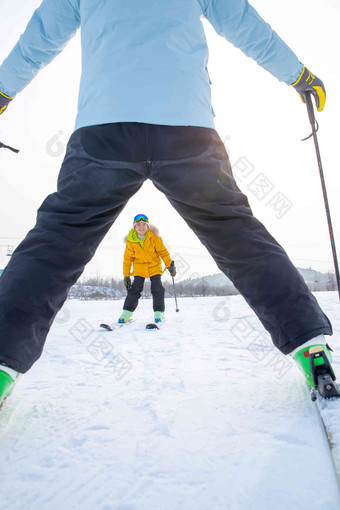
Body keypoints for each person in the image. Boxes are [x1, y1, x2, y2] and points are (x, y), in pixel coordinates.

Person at [0, 0, 336, 406]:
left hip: (104, 134)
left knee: (56, 241)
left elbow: (38, 38)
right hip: (187, 133)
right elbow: (247, 26)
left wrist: (3, 90)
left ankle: (2, 361)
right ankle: (310, 346)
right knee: (237, 235)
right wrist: (298, 76)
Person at [118, 214, 176, 324]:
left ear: (148, 226)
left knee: (157, 287)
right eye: (138, 225)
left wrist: (170, 265)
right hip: (139, 268)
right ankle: (127, 312)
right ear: (134, 228)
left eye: (144, 224)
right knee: (135, 289)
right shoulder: (131, 241)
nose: (141, 227)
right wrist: (126, 276)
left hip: (154, 266)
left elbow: (163, 252)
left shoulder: (154, 237)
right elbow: (127, 259)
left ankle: (159, 312)